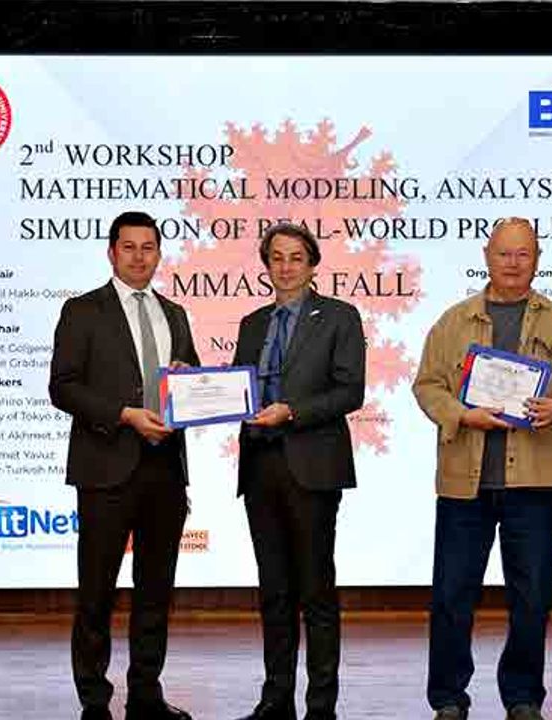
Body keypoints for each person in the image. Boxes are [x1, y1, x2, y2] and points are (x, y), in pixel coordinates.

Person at [413, 217, 552, 720]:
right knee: (451, 594)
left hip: (534, 482)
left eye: (523, 254)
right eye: (504, 253)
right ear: (486, 257)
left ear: (537, 260)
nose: (513, 263)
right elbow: (427, 386)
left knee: (532, 596)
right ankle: (448, 697)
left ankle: (522, 696)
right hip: (464, 483)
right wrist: (461, 414)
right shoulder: (454, 321)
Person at [49, 211, 199, 720]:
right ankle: (94, 700)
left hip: (165, 470)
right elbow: (63, 387)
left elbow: (190, 381)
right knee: (96, 591)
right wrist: (124, 415)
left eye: (148, 247)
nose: (139, 257)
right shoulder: (82, 310)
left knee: (156, 592)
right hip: (105, 468)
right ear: (112, 252)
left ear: (159, 254)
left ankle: (145, 694)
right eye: (129, 247)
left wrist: (188, 379)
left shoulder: (175, 313)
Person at [231, 222, 366, 720]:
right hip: (260, 465)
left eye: (295, 258)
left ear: (313, 265)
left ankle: (321, 705)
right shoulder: (252, 323)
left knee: (316, 591)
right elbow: (237, 389)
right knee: (274, 592)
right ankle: (275, 700)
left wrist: (292, 412)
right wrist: (193, 387)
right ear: (266, 266)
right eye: (277, 258)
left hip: (312, 466)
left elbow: (350, 391)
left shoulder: (339, 317)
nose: (285, 267)